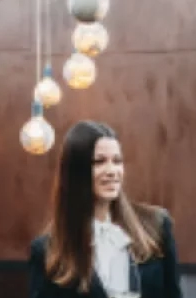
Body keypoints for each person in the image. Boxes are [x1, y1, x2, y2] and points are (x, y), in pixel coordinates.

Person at [28, 120, 182, 298]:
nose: (112, 171)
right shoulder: (48, 251)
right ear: (76, 172)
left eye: (117, 161)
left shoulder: (156, 225)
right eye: (99, 162)